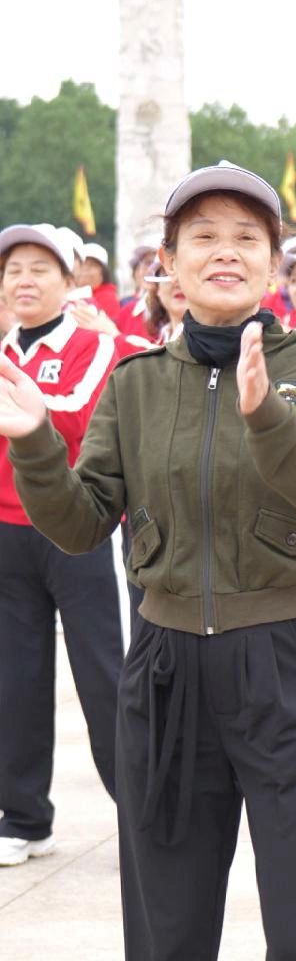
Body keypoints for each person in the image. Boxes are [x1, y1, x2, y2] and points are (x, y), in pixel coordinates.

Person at [1, 163, 296, 959]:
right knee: (166, 931)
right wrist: (35, 442)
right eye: (201, 236)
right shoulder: (135, 385)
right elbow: (78, 524)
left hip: (290, 665)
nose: (225, 252)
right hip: (167, 671)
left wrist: (269, 416)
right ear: (167, 262)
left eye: (248, 237)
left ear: (275, 264)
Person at [0, 224, 123, 870]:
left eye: (39, 269)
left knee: (107, 680)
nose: (24, 280)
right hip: (8, 535)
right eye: (13, 269)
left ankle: (143, 811)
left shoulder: (90, 343)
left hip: (78, 532)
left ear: (70, 279)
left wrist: (22, 403)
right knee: (14, 681)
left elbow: (79, 414)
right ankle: (23, 817)